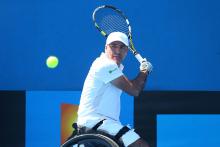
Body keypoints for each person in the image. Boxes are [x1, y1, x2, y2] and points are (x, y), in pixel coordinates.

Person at [76, 32, 152, 147]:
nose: (117, 51)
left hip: (104, 123)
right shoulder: (105, 65)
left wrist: (144, 72)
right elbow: (134, 90)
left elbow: (134, 86)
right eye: (114, 46)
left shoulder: (113, 68)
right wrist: (144, 70)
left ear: (126, 51)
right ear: (106, 48)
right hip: (94, 122)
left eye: (122, 47)